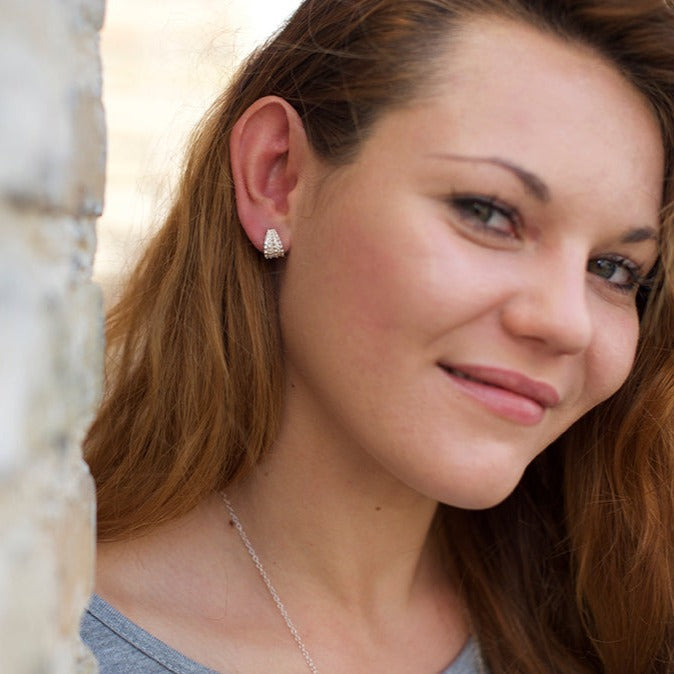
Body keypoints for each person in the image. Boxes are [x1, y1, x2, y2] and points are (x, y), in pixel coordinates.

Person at [80, 1, 674, 672]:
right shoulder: (39, 638)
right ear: (277, 177)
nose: (566, 322)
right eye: (488, 213)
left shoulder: (622, 627)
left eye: (614, 269)